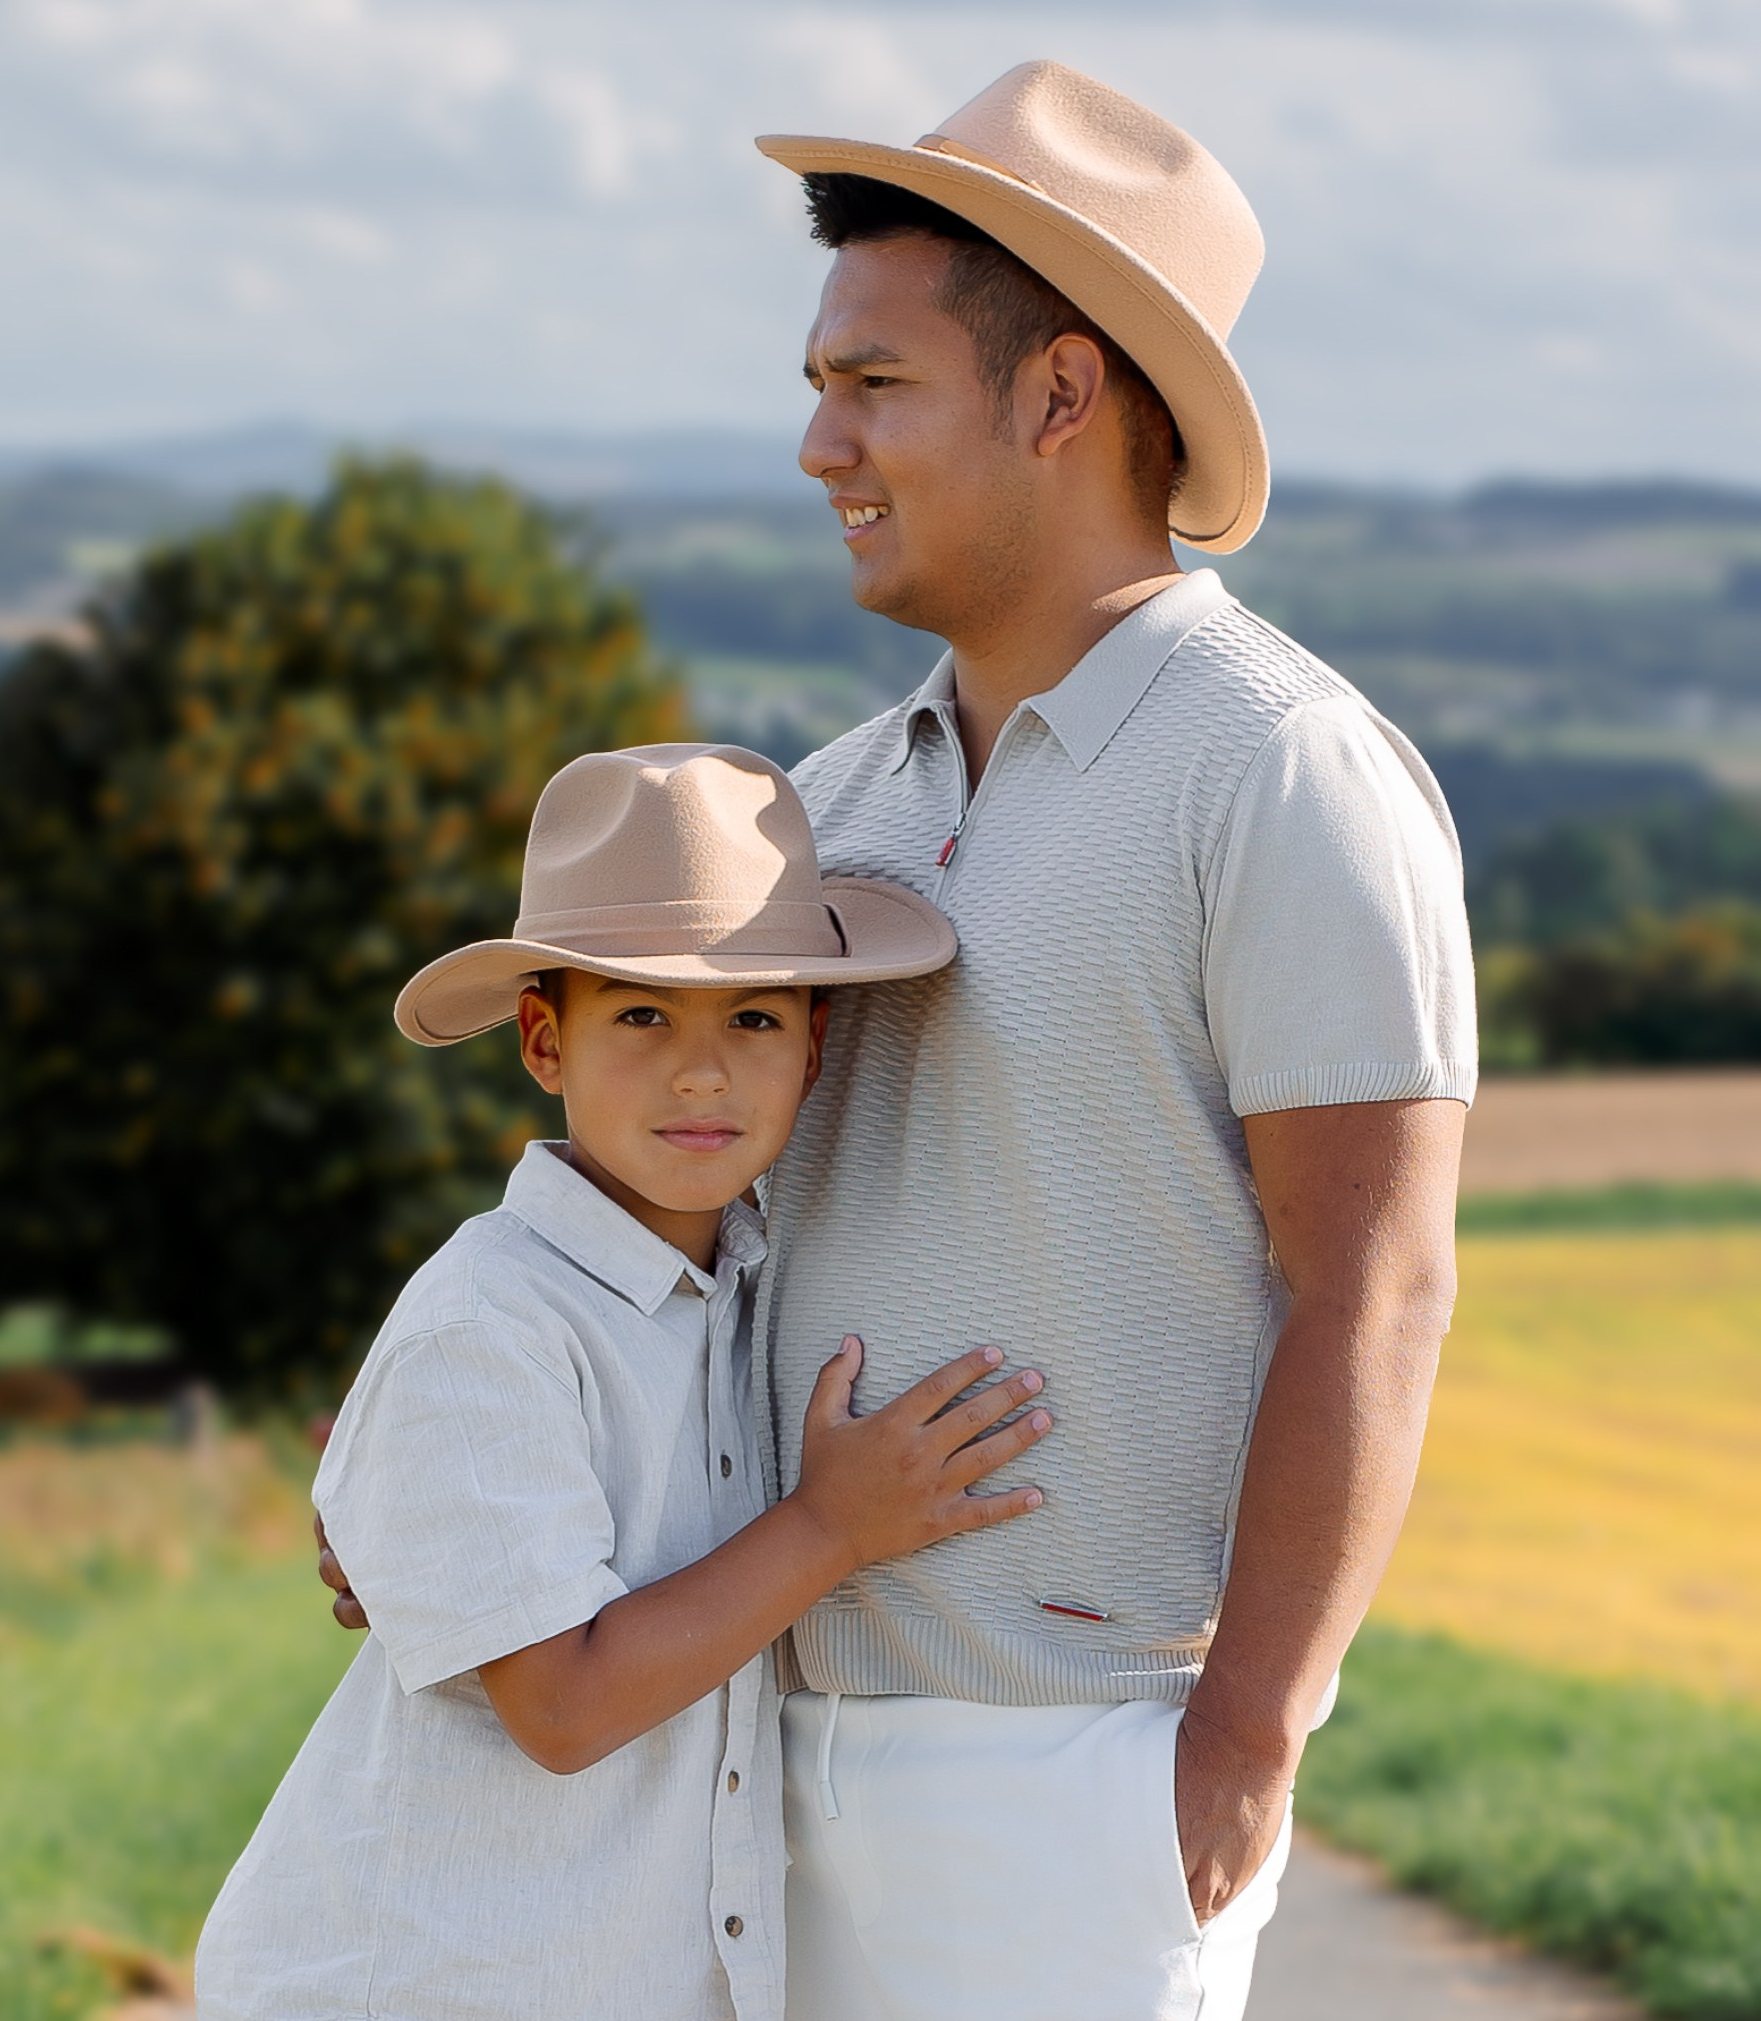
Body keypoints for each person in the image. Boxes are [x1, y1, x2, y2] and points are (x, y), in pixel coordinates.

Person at [321, 59, 1477, 2021]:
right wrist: (453, 1459)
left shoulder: (1279, 772)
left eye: (870, 383)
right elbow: (681, 1198)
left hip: (1074, 1760)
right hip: (747, 1747)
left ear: (1057, 395)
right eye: (814, 382)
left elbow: (1372, 1281)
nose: (813, 441)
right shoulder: (834, 797)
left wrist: (1243, 1741)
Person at [195, 743, 1052, 2021]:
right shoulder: (489, 1322)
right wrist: (831, 1525)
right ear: (545, 1038)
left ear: (816, 1050)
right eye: (641, 1013)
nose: (700, 1069)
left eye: (752, 1017)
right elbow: (563, 1702)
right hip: (419, 1985)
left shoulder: (753, 1290)